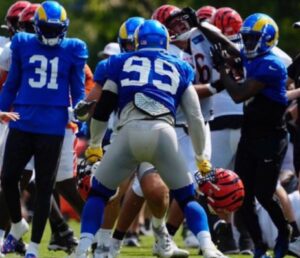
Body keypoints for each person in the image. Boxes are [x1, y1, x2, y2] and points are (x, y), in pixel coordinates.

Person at [75, 19, 225, 258]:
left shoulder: (118, 63)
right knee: (187, 197)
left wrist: (94, 145)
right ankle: (208, 247)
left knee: (99, 193)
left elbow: (103, 109)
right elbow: (195, 117)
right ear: (165, 42)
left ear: (136, 41)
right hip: (163, 134)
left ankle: (83, 248)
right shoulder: (180, 66)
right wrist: (200, 158)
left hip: (127, 133)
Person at [0, 1, 87, 258]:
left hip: (52, 124)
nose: (50, 34)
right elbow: (12, 82)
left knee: (46, 187)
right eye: (46, 28)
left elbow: (78, 90)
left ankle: (35, 247)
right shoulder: (22, 43)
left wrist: (80, 114)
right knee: (7, 178)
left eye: (54, 29)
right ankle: (17, 224)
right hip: (22, 118)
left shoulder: (74, 48)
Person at [211, 13, 291, 258]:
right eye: (245, 38)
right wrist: (202, 27)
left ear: (267, 39)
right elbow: (228, 44)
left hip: (271, 138)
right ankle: (258, 244)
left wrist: (222, 69)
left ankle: (285, 235)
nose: (246, 43)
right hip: (250, 135)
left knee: (264, 195)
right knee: (243, 196)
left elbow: (238, 94)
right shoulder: (251, 56)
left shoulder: (271, 64)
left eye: (252, 38)